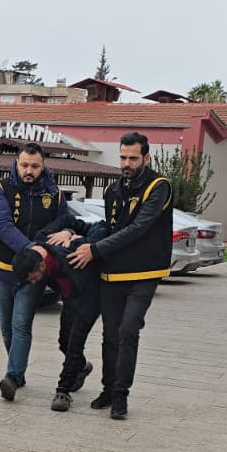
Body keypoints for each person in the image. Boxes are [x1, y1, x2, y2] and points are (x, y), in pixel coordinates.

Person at [68, 132, 173, 419]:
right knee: (110, 335)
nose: (126, 163)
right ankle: (108, 388)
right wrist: (76, 232)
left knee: (128, 330)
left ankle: (120, 395)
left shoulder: (158, 187)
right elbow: (111, 226)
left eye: (133, 158)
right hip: (112, 273)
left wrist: (96, 249)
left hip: (144, 273)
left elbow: (138, 227)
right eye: (123, 157)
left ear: (146, 157)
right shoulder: (113, 190)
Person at [0, 143, 71, 401]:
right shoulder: (2, 189)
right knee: (6, 328)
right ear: (16, 163)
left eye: (34, 166)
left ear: (42, 165)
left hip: (34, 272)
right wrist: (29, 248)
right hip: (4, 268)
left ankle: (12, 376)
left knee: (21, 323)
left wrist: (42, 245)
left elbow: (62, 219)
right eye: (24, 165)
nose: (29, 170)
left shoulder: (53, 192)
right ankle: (18, 372)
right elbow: (1, 224)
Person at [11, 214, 106, 412]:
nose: (34, 282)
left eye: (34, 277)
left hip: (89, 297)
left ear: (43, 265)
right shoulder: (42, 240)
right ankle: (81, 367)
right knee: (64, 341)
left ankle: (63, 391)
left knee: (74, 343)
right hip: (70, 299)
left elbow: (101, 226)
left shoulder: (72, 252)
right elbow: (65, 220)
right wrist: (67, 230)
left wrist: (91, 247)